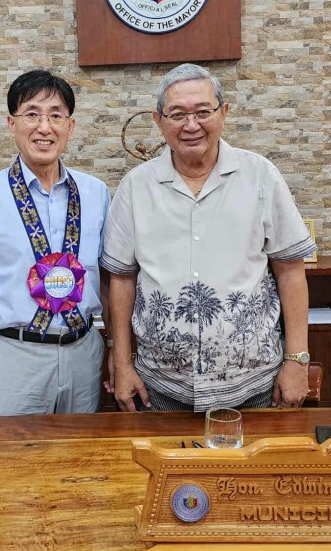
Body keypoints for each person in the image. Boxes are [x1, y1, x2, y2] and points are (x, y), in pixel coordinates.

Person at [101, 63, 316, 413]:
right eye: (177, 114)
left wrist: (297, 361)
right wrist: (122, 363)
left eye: (203, 112)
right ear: (159, 121)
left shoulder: (260, 176)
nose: (191, 125)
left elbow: (291, 271)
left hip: (254, 386)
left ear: (224, 113)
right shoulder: (136, 187)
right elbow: (122, 279)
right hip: (160, 387)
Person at [0, 69, 110, 416]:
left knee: (83, 449)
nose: (44, 127)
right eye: (32, 114)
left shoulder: (96, 193)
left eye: (56, 116)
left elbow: (109, 279)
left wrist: (117, 354)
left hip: (84, 353)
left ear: (70, 127)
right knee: (13, 451)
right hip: (14, 359)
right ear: (11, 123)